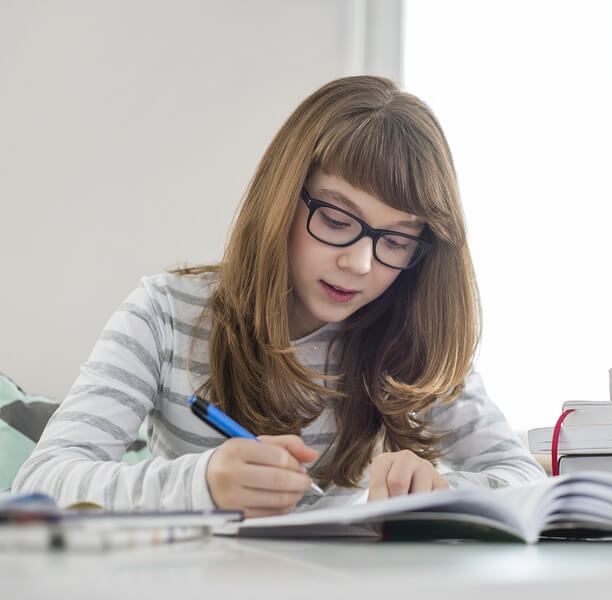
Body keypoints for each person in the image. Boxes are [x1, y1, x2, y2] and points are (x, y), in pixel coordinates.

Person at [12, 76, 546, 517]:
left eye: (398, 240)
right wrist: (202, 483)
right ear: (283, 198)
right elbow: (41, 481)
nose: (359, 263)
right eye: (337, 220)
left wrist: (446, 493)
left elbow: (522, 478)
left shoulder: (410, 336)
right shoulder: (165, 315)